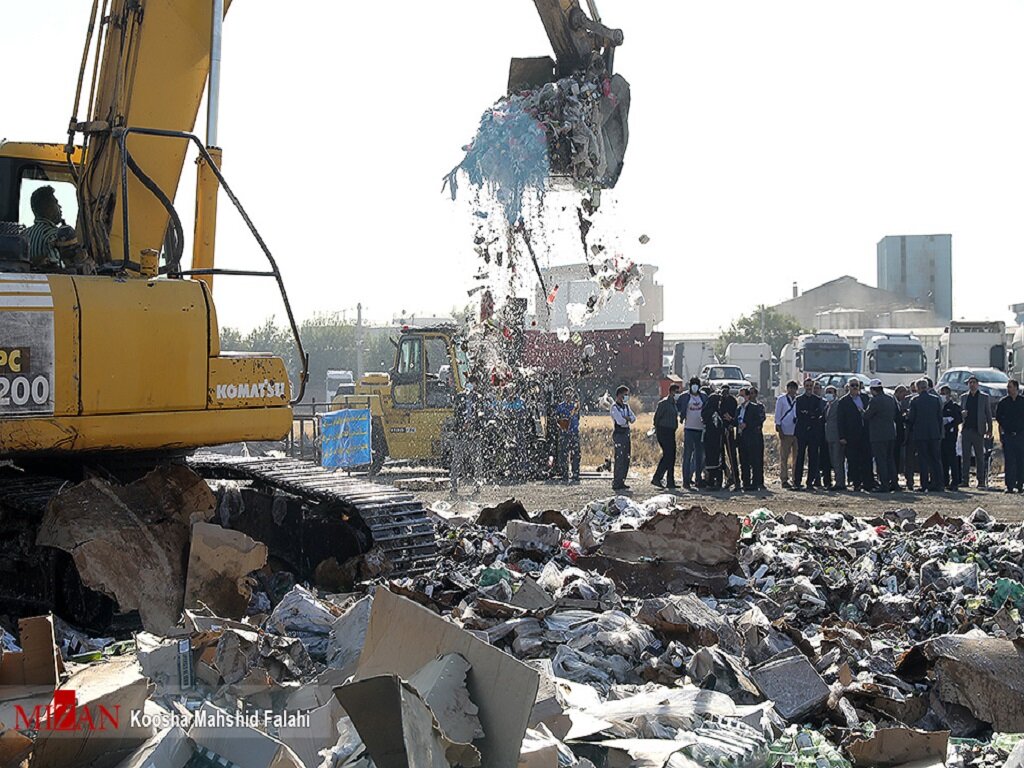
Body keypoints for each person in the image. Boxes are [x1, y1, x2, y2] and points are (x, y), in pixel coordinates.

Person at [23, 185, 78, 272]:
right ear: (47, 208)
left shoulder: (24, 234)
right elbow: (60, 268)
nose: (60, 207)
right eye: (56, 203)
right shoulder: (54, 235)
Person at [908, 378, 944, 492]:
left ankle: (924, 485)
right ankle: (939, 484)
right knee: (936, 460)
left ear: (917, 388)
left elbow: (912, 419)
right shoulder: (935, 400)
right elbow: (939, 418)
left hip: (920, 434)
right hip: (934, 433)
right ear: (927, 387)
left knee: (923, 460)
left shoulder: (915, 401)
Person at [864, 379, 898, 492]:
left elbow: (867, 416)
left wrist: (862, 412)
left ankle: (884, 484)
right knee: (890, 459)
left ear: (873, 390)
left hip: (878, 435)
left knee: (881, 460)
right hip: (890, 433)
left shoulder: (874, 401)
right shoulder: (890, 398)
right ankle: (894, 482)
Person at [838, 378, 872, 491]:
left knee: (866, 459)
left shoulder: (865, 398)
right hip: (851, 435)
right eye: (852, 385)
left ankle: (867, 483)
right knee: (853, 460)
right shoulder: (843, 401)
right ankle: (856, 482)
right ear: (848, 387)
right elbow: (840, 420)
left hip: (865, 434)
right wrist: (842, 436)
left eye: (856, 385)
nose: (855, 387)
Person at [960, 376, 993, 489]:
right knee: (965, 457)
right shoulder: (964, 397)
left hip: (978, 431)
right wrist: (962, 414)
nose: (972, 385)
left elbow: (988, 414)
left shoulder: (984, 397)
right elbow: (960, 412)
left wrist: (989, 429)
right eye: (970, 383)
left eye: (974, 382)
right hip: (966, 430)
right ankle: (965, 480)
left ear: (977, 384)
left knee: (980, 457)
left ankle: (981, 481)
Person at [676, 377, 707, 488]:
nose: (695, 386)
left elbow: (707, 408)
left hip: (700, 429)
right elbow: (678, 407)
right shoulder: (685, 397)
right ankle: (686, 481)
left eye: (696, 384)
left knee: (699, 456)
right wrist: (681, 417)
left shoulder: (703, 396)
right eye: (693, 384)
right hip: (689, 429)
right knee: (687, 455)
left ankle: (698, 479)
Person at [793, 378, 824, 490]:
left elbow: (818, 413)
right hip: (801, 432)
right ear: (804, 386)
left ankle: (810, 481)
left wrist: (809, 414)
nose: (809, 387)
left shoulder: (817, 399)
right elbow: (799, 414)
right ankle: (797, 481)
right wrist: (810, 414)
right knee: (800, 456)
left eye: (811, 385)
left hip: (814, 433)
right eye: (807, 385)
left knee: (813, 457)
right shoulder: (799, 399)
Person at [996, 379, 1024, 493]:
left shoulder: (1022, 402)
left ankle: (1020, 484)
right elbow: (998, 417)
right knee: (1009, 461)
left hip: (1021, 435)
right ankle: (1010, 485)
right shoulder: (1003, 402)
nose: (1008, 389)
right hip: (1008, 435)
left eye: (1010, 387)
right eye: (1008, 387)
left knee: (1021, 460)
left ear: (1016, 388)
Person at [652, 384, 681, 489]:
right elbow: (656, 418)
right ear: (671, 392)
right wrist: (658, 430)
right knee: (668, 455)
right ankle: (657, 477)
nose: (678, 394)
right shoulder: (664, 403)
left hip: (671, 431)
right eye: (676, 392)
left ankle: (670, 481)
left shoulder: (674, 404)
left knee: (671, 456)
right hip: (663, 431)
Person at [737, 386, 766, 490]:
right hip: (741, 439)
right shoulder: (739, 409)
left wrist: (747, 425)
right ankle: (746, 483)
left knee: (754, 461)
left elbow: (758, 421)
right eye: (739, 395)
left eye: (742, 395)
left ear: (748, 396)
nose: (740, 397)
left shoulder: (755, 407)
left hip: (752, 438)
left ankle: (755, 483)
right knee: (743, 462)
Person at [610, 385, 636, 490]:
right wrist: (627, 419)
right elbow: (620, 421)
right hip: (619, 434)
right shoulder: (614, 407)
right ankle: (616, 481)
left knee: (626, 458)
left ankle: (622, 480)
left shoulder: (626, 406)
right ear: (619, 395)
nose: (626, 397)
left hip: (626, 433)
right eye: (624, 394)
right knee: (619, 458)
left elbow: (634, 418)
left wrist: (627, 418)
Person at [774, 380, 799, 488]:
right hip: (785, 431)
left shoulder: (798, 400)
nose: (792, 390)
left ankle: (795, 478)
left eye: (794, 388)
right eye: (790, 388)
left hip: (797, 432)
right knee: (784, 457)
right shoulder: (781, 399)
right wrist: (780, 430)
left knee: (796, 457)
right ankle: (784, 479)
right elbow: (777, 415)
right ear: (787, 388)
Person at [554, 386, 581, 482]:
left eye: (570, 394)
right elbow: (556, 418)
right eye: (567, 394)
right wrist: (561, 424)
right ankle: (565, 473)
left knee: (576, 454)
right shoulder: (561, 406)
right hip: (564, 433)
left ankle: (576, 473)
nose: (569, 396)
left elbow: (577, 418)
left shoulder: (575, 406)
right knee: (564, 454)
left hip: (574, 432)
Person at [701, 388, 726, 490]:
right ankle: (712, 482)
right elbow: (715, 427)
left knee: (713, 460)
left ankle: (714, 482)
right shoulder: (712, 413)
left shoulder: (712, 411)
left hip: (713, 440)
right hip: (713, 440)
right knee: (713, 460)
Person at [939, 385, 963, 490]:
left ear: (949, 395)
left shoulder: (954, 406)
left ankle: (955, 481)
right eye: (941, 393)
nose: (943, 396)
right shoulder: (940, 406)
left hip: (951, 436)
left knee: (952, 459)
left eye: (944, 393)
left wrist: (949, 423)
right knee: (943, 458)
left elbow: (959, 419)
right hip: (942, 436)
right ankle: (944, 480)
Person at [823, 385, 846, 490]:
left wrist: (842, 436)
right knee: (833, 460)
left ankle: (840, 483)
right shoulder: (828, 405)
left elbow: (841, 421)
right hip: (829, 436)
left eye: (830, 392)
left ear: (835, 394)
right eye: (827, 392)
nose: (828, 394)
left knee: (838, 460)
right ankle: (837, 481)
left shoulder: (838, 404)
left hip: (837, 436)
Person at [719, 384, 740, 491]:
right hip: (720, 431)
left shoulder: (732, 401)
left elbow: (735, 417)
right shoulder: (719, 400)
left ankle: (736, 480)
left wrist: (731, 423)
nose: (725, 393)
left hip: (730, 430)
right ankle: (727, 477)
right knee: (721, 457)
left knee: (732, 456)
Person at [813, 382, 833, 489]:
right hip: (813, 434)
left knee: (826, 458)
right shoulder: (810, 401)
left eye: (818, 388)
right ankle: (816, 479)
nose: (816, 390)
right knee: (814, 458)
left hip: (824, 434)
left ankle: (827, 480)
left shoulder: (825, 403)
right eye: (814, 388)